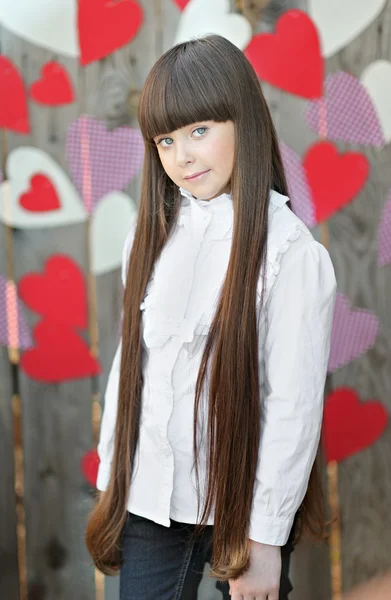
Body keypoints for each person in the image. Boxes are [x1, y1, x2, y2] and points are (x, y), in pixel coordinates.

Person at [85, 34, 337, 600]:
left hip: (242, 505)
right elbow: (134, 365)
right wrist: (112, 475)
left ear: (243, 123)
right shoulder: (149, 238)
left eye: (200, 131)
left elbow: (291, 405)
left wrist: (265, 539)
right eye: (166, 140)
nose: (183, 155)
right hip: (151, 498)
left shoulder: (289, 254)